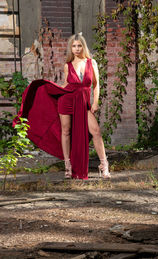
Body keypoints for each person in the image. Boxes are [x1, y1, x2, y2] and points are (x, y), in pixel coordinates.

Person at [13, 33, 110, 180]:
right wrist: (52, 90)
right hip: (67, 100)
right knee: (66, 131)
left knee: (95, 131)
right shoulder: (68, 65)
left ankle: (104, 165)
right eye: (74, 46)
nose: (77, 49)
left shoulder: (92, 63)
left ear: (83, 46)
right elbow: (66, 85)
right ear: (70, 48)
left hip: (83, 104)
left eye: (79, 46)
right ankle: (68, 165)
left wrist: (95, 102)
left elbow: (96, 85)